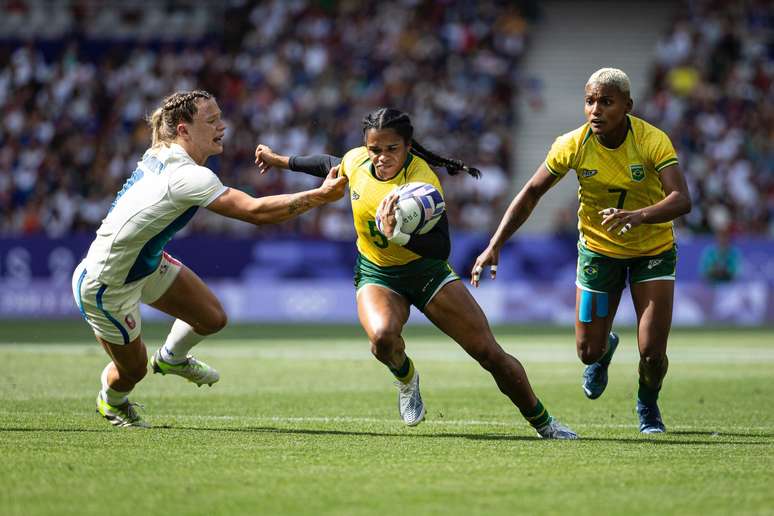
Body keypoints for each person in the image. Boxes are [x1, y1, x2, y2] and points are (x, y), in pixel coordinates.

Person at [254, 107, 577, 439]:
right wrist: (279, 160)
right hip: (377, 272)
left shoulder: (422, 183)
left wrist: (399, 233)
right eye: (375, 149)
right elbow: (328, 163)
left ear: (408, 146)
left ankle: (544, 423)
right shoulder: (357, 161)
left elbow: (441, 249)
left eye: (391, 149)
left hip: (428, 273)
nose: (381, 157)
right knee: (381, 340)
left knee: (488, 353)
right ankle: (407, 378)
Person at [71, 90, 347, 428]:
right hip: (106, 282)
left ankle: (172, 358)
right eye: (211, 121)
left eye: (220, 117)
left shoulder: (163, 151)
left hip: (145, 263)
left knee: (211, 318)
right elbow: (256, 213)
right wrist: (320, 196)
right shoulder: (188, 176)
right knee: (133, 371)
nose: (222, 126)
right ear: (184, 130)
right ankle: (110, 402)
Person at [471, 68, 692, 434]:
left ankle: (647, 405)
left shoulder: (653, 141)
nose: (595, 110)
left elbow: (682, 199)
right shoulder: (572, 144)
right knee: (587, 352)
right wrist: (495, 244)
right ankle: (604, 350)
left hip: (651, 250)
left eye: (606, 102)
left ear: (627, 106)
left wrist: (639, 216)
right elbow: (530, 194)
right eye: (590, 101)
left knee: (652, 352)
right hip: (598, 253)